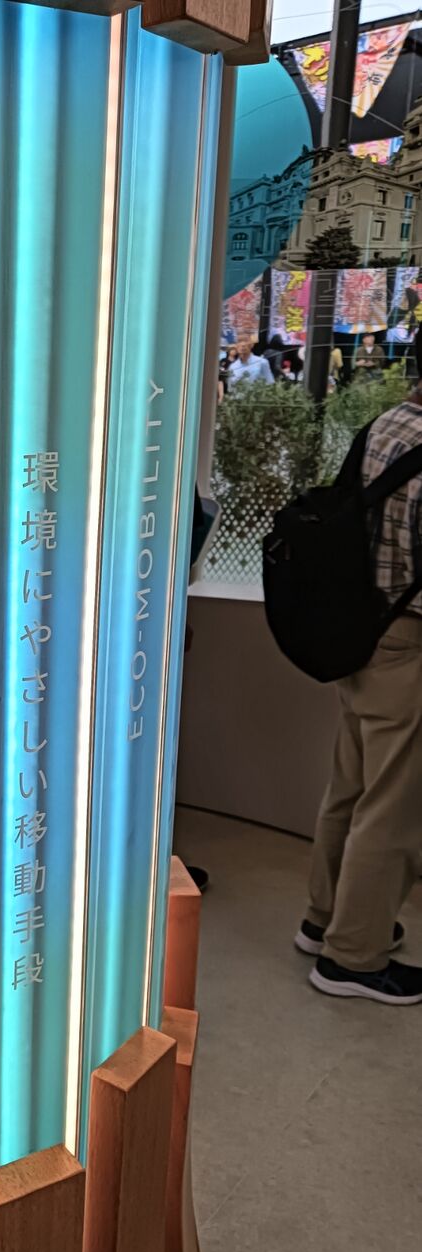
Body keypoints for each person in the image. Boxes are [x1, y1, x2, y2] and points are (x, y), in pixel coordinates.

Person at [299, 326, 422, 1005]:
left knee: (350, 786)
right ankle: (353, 957)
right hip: (410, 641)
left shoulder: (386, 425)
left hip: (363, 632)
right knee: (394, 807)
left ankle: (324, 919)